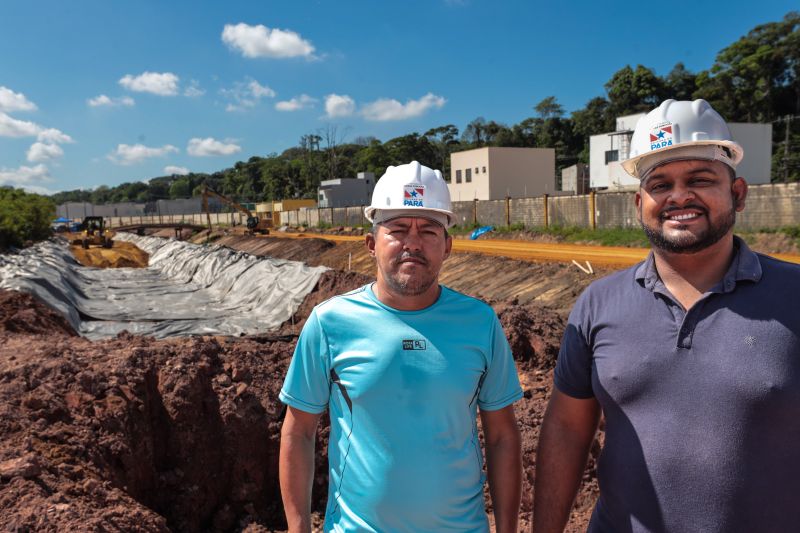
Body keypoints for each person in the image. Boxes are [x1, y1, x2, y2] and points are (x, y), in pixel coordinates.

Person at [533, 99, 800, 532]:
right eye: (661, 184)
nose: (679, 196)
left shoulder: (793, 295)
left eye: (700, 179)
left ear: (737, 194)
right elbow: (566, 430)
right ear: (640, 203)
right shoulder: (598, 304)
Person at [279, 161, 523, 532]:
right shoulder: (330, 324)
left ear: (448, 246)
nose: (413, 243)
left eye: (428, 230)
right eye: (397, 230)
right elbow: (298, 432)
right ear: (371, 244)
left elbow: (502, 436)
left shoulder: (479, 323)